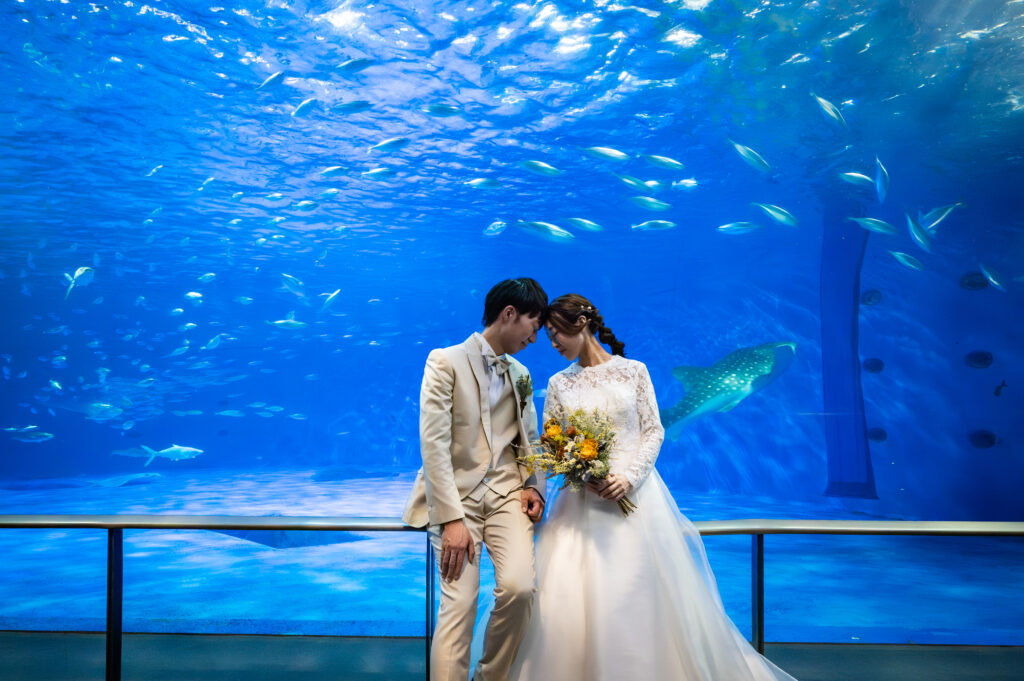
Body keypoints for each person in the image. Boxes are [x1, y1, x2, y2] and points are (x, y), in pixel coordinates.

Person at [508, 293, 799, 681]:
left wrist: (629, 478)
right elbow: (553, 440)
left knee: (638, 595)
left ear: (580, 324)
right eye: (547, 337)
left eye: (555, 333)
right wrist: (580, 470)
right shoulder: (559, 383)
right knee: (568, 600)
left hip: (638, 501)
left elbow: (653, 430)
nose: (553, 344)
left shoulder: (634, 371)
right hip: (580, 503)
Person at [403, 277, 549, 681]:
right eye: (533, 326)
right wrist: (451, 520)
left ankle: (490, 677)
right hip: (457, 501)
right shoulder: (444, 361)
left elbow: (530, 439)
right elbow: (433, 445)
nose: (534, 338)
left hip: (506, 496)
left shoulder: (521, 373)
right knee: (460, 604)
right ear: (508, 315)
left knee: (520, 589)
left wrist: (536, 485)